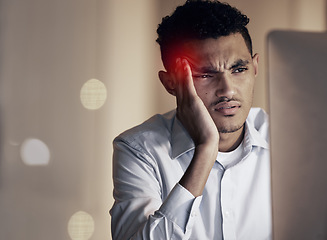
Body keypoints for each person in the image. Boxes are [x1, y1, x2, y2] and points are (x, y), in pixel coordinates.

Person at [110, 1, 271, 239]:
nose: (227, 89)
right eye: (205, 75)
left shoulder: (289, 136)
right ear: (171, 84)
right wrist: (206, 149)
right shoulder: (138, 149)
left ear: (255, 67)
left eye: (238, 70)